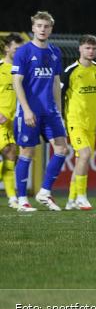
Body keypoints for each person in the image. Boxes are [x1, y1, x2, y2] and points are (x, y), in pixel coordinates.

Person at [11, 11, 67, 212]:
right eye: (39, 26)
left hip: (50, 112)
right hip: (30, 111)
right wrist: (26, 110)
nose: (43, 29)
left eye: (46, 26)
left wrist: (59, 111)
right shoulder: (24, 52)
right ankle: (22, 199)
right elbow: (16, 81)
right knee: (27, 152)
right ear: (33, 28)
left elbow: (55, 82)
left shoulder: (55, 52)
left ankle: (44, 192)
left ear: (51, 29)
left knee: (62, 149)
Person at [62, 35, 96, 210]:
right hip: (75, 121)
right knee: (85, 155)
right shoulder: (70, 71)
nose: (91, 51)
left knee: (82, 160)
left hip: (91, 124)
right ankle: (82, 196)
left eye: (94, 48)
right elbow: (59, 95)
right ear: (80, 49)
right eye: (88, 48)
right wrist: (60, 117)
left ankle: (70, 200)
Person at [0, 33, 25, 209]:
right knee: (8, 152)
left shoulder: (21, 69)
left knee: (12, 157)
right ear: (7, 48)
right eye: (16, 49)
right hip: (0, 120)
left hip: (15, 120)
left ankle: (11, 198)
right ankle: (12, 197)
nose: (18, 52)